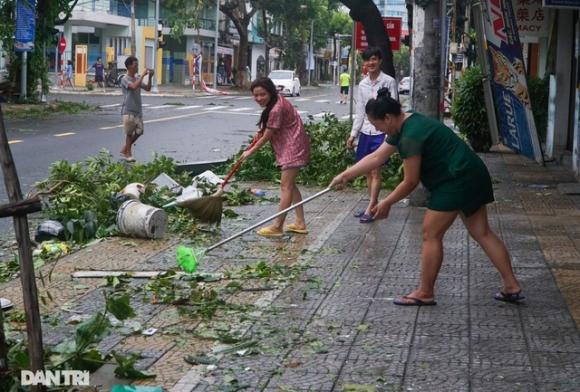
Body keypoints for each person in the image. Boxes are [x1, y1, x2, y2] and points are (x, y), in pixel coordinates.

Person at [330, 88, 524, 306]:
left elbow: (410, 181)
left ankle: (425, 292)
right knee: (481, 232)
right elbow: (377, 157)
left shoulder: (410, 136)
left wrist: (386, 202)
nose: (378, 130)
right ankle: (511, 285)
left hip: (456, 179)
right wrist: (345, 175)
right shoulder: (406, 121)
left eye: (377, 125)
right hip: (471, 173)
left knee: (430, 233)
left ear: (388, 117)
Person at [243, 77, 311, 237]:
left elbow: (268, 135)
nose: (259, 98)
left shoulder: (276, 108)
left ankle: (277, 226)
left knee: (285, 186)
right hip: (292, 144)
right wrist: (257, 135)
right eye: (256, 95)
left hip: (293, 147)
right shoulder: (275, 102)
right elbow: (266, 129)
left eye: (263, 94)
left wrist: (251, 151)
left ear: (271, 92)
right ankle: (300, 223)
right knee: (290, 185)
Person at [348, 47, 398, 223]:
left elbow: (394, 109)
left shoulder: (389, 82)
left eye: (374, 59)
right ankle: (373, 204)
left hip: (381, 133)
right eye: (368, 60)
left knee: (376, 171)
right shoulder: (362, 84)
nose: (371, 63)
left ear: (380, 61)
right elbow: (360, 111)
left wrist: (389, 135)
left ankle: (370, 208)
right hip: (366, 133)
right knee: (368, 172)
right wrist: (353, 134)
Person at [119, 56, 152, 162]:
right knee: (129, 133)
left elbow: (147, 88)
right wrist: (142, 75)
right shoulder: (125, 78)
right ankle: (128, 154)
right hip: (128, 110)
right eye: (135, 64)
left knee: (140, 131)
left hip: (138, 110)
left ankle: (125, 148)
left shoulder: (137, 78)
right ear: (129, 66)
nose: (137, 66)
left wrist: (150, 77)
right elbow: (133, 87)